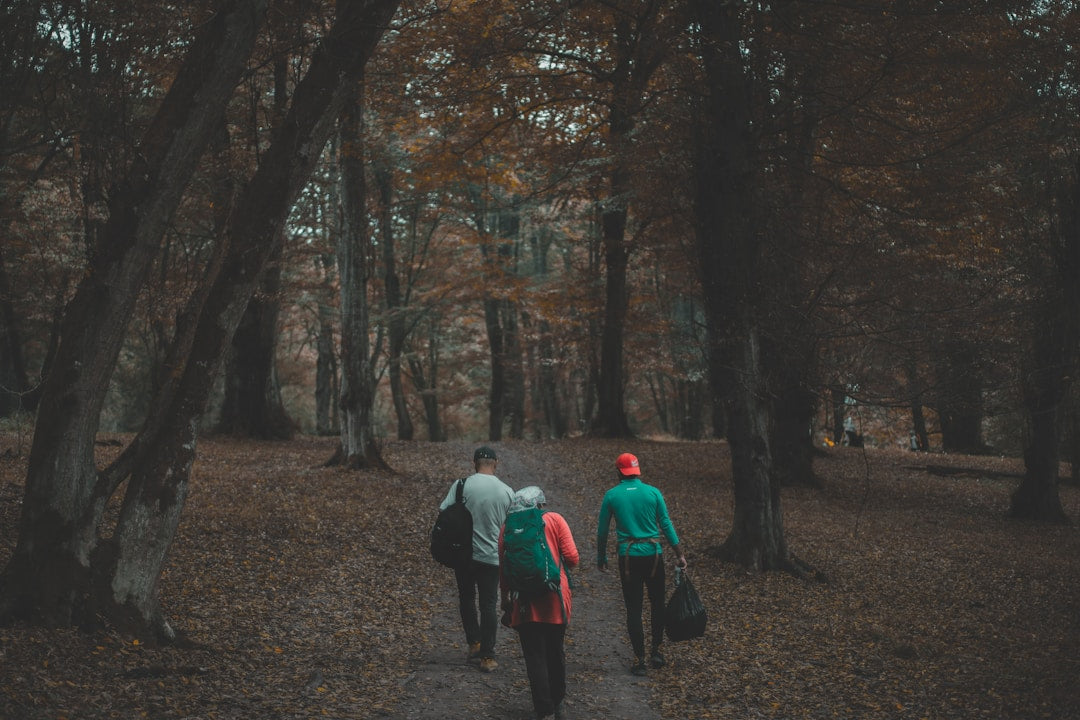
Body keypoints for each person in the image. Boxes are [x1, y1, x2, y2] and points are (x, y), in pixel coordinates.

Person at [596, 452, 687, 676]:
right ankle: (657, 651)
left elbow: (602, 530)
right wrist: (679, 554)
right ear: (636, 471)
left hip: (628, 558)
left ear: (619, 472)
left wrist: (601, 557)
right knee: (657, 603)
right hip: (653, 555)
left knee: (634, 608)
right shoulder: (653, 492)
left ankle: (640, 659)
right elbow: (665, 523)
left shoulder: (611, 495)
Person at [500, 486, 579, 720]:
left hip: (524, 602)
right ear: (540, 504)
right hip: (554, 597)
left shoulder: (508, 528)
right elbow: (572, 558)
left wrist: (505, 600)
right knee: (555, 651)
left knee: (534, 656)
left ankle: (544, 710)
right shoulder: (555, 519)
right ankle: (558, 703)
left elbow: (504, 569)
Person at [438, 446, 513, 672]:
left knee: (467, 598)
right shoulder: (507, 491)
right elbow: (510, 526)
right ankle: (487, 657)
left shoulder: (461, 485)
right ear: (496, 463)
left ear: (474, 463)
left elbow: (444, 511)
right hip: (491, 556)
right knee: (488, 604)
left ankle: (474, 643)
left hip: (463, 554)